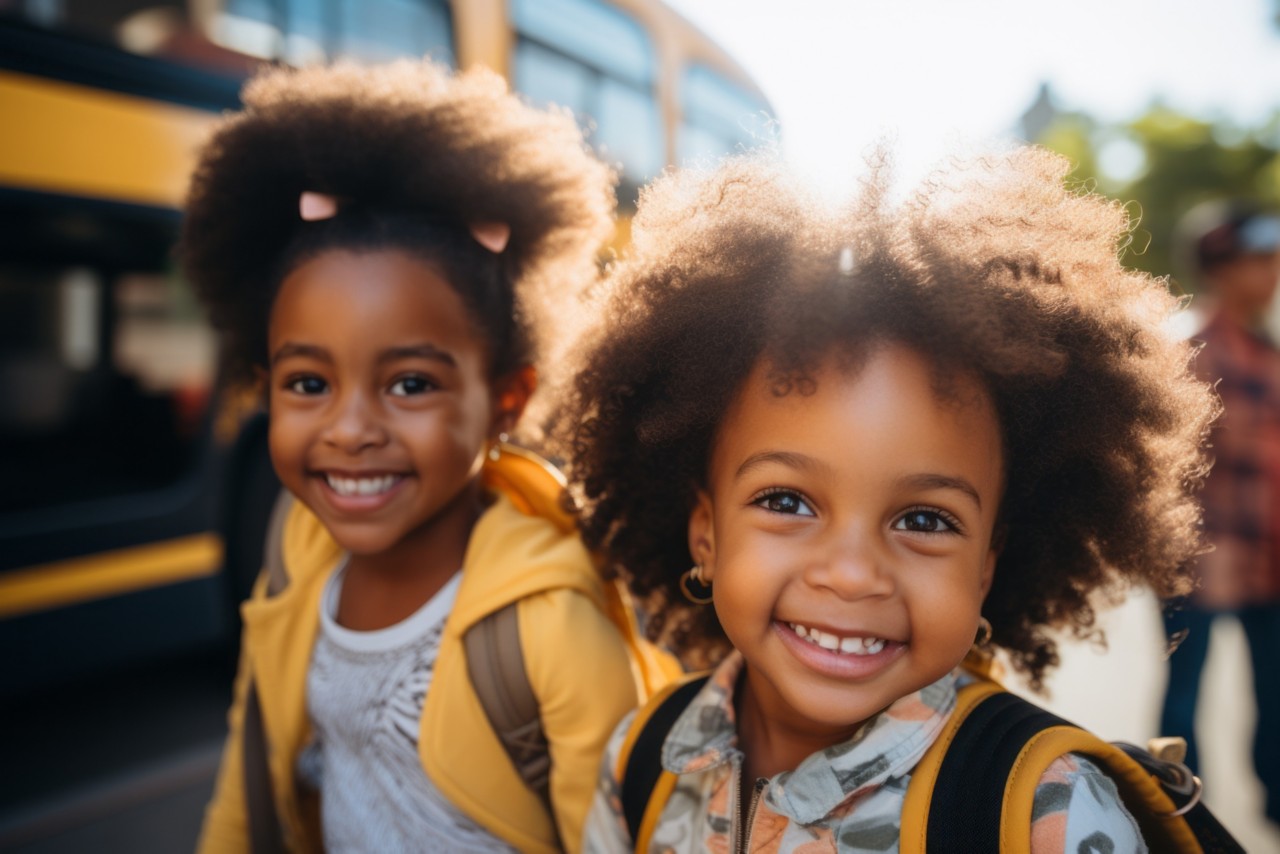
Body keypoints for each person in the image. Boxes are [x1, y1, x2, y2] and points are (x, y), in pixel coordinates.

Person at [557, 148, 1219, 852]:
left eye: (924, 520)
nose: (850, 573)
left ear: (987, 565)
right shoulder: (642, 757)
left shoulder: (1043, 817)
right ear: (705, 532)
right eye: (786, 502)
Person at [183, 59, 667, 854]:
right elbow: (247, 785)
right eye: (308, 382)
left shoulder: (549, 631)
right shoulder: (293, 556)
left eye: (409, 384)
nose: (350, 429)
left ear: (504, 400)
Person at [1161, 201, 1280, 825]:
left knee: (1278, 698)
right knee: (1183, 703)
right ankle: (1182, 819)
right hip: (1197, 559)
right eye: (1261, 260)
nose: (1274, 273)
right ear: (1222, 267)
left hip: (1269, 558)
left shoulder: (1269, 354)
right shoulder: (1185, 350)